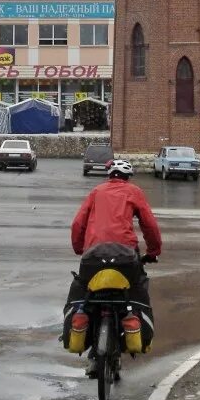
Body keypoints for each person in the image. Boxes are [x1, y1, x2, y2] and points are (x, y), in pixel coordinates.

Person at [63, 159, 162, 375]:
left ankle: (89, 345)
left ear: (109, 175)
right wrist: (153, 252)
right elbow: (149, 224)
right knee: (136, 290)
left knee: (87, 296)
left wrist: (80, 249)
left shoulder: (96, 192)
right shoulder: (134, 192)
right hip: (126, 257)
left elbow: (78, 223)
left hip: (93, 256)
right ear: (128, 177)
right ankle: (132, 331)